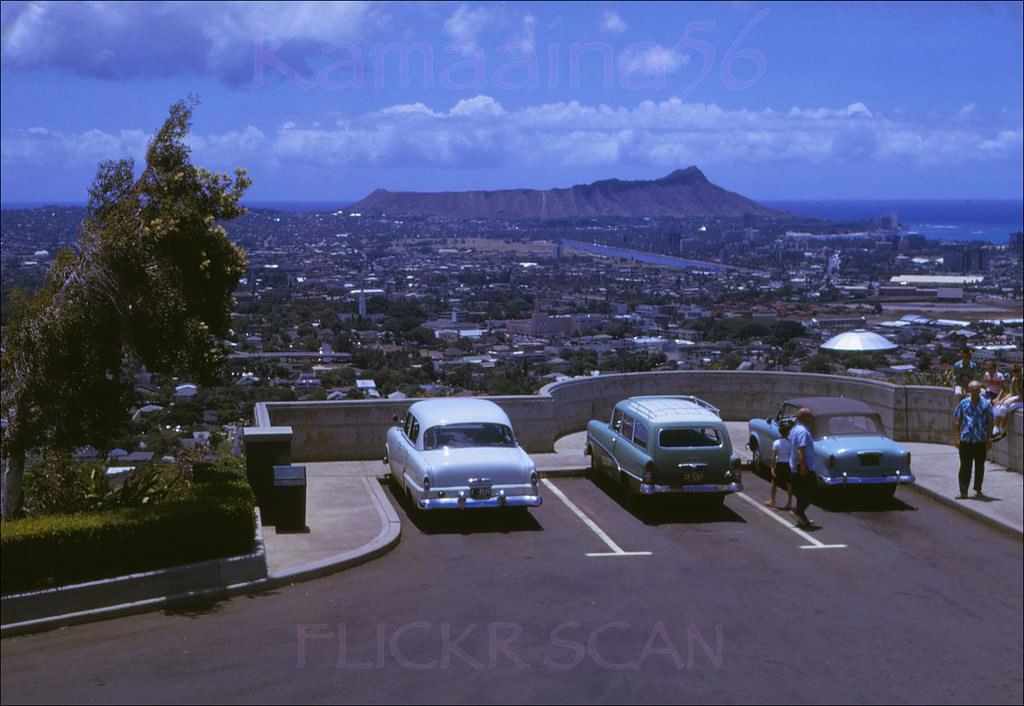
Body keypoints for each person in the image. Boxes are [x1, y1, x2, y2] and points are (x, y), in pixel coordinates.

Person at [952, 380, 994, 499]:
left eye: (977, 390)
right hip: (966, 440)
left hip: (980, 440)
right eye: (973, 390)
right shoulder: (963, 403)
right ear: (969, 391)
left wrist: (989, 438)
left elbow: (990, 422)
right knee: (965, 466)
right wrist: (957, 437)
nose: (975, 392)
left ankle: (978, 489)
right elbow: (958, 422)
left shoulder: (986, 404)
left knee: (979, 466)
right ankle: (963, 491)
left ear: (980, 391)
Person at [788, 408, 817, 527]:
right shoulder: (803, 432)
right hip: (803, 467)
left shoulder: (795, 429)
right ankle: (797, 512)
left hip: (795, 466)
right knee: (812, 491)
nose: (812, 418)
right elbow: (800, 450)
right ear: (804, 417)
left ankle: (801, 518)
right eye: (810, 416)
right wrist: (803, 466)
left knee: (801, 493)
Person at [766, 420, 794, 510]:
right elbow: (792, 455)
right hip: (788, 464)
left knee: (774, 482)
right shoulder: (790, 443)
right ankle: (789, 502)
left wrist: (772, 467)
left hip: (779, 464)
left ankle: (772, 500)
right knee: (789, 483)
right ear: (788, 432)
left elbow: (773, 456)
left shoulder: (776, 443)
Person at [992, 362, 1022, 442]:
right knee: (998, 406)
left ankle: (1002, 430)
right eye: (1014, 371)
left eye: (1017, 371)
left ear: (1020, 371)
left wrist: (1010, 401)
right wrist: (1002, 400)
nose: (1016, 374)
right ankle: (996, 428)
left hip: (1021, 400)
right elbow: (1011, 393)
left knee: (1006, 408)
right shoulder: (1014, 379)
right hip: (1018, 397)